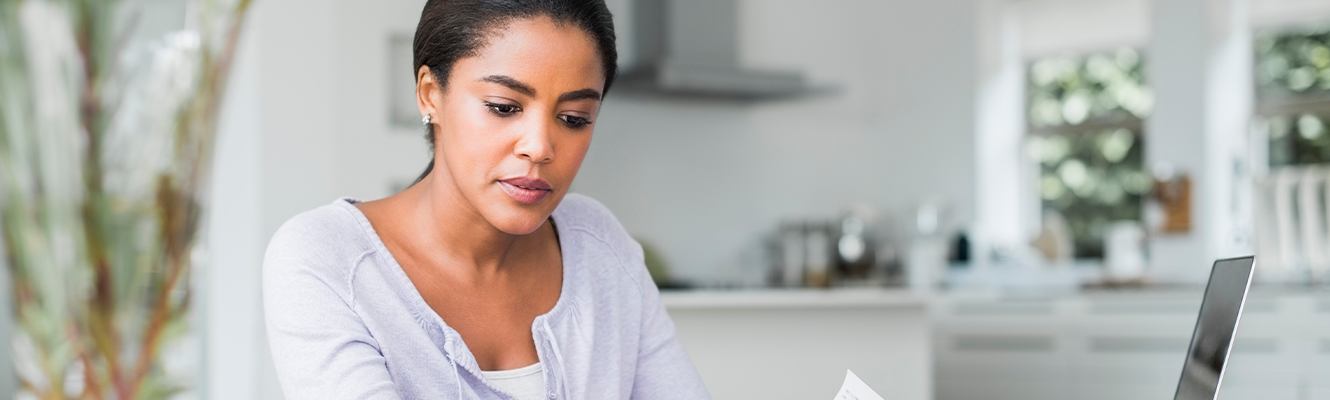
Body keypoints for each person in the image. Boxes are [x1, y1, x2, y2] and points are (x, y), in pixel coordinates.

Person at [261, 1, 708, 398]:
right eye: (503, 106)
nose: (540, 146)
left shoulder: (601, 248)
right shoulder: (325, 259)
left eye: (574, 118)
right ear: (430, 94)